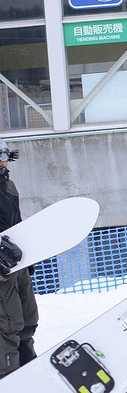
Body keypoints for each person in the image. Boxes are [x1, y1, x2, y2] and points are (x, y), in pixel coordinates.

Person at [0, 139, 38, 379]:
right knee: (7, 325)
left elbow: (16, 223)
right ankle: (8, 376)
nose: (1, 161)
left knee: (27, 317)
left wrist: (30, 254)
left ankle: (29, 368)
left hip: (16, 265)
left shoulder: (8, 184)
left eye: (4, 155)